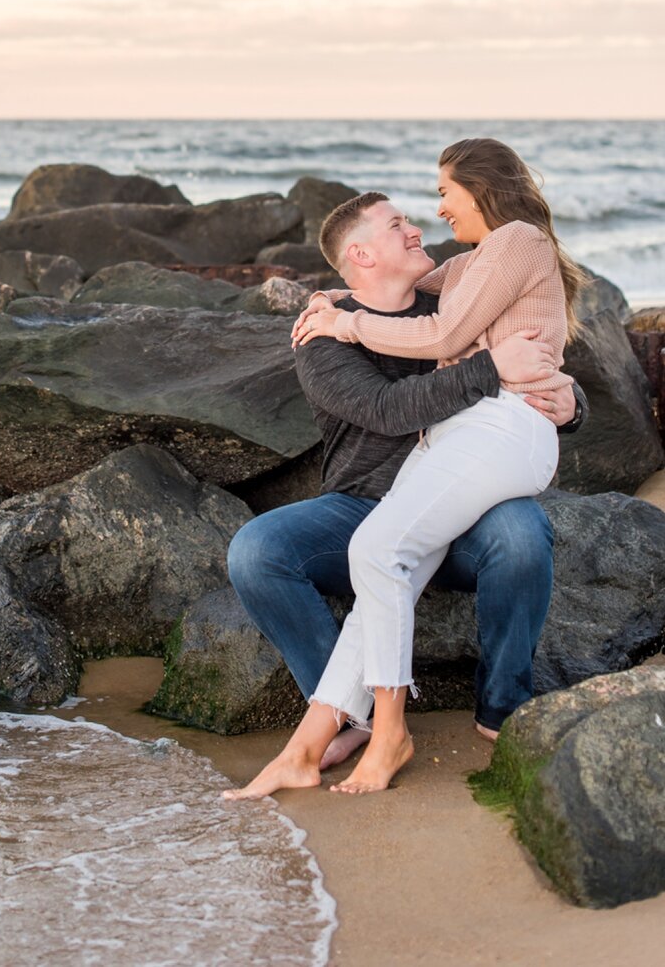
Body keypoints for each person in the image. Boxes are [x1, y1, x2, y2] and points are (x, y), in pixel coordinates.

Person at [226, 138, 586, 801]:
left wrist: (571, 402)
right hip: (375, 491)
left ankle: (498, 707)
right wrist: (341, 307)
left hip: (468, 482)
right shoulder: (323, 332)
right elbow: (387, 409)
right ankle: (330, 726)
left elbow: (524, 354)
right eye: (398, 225)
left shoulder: (462, 287)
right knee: (265, 550)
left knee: (517, 538)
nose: (425, 218)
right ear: (362, 256)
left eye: (441, 195)